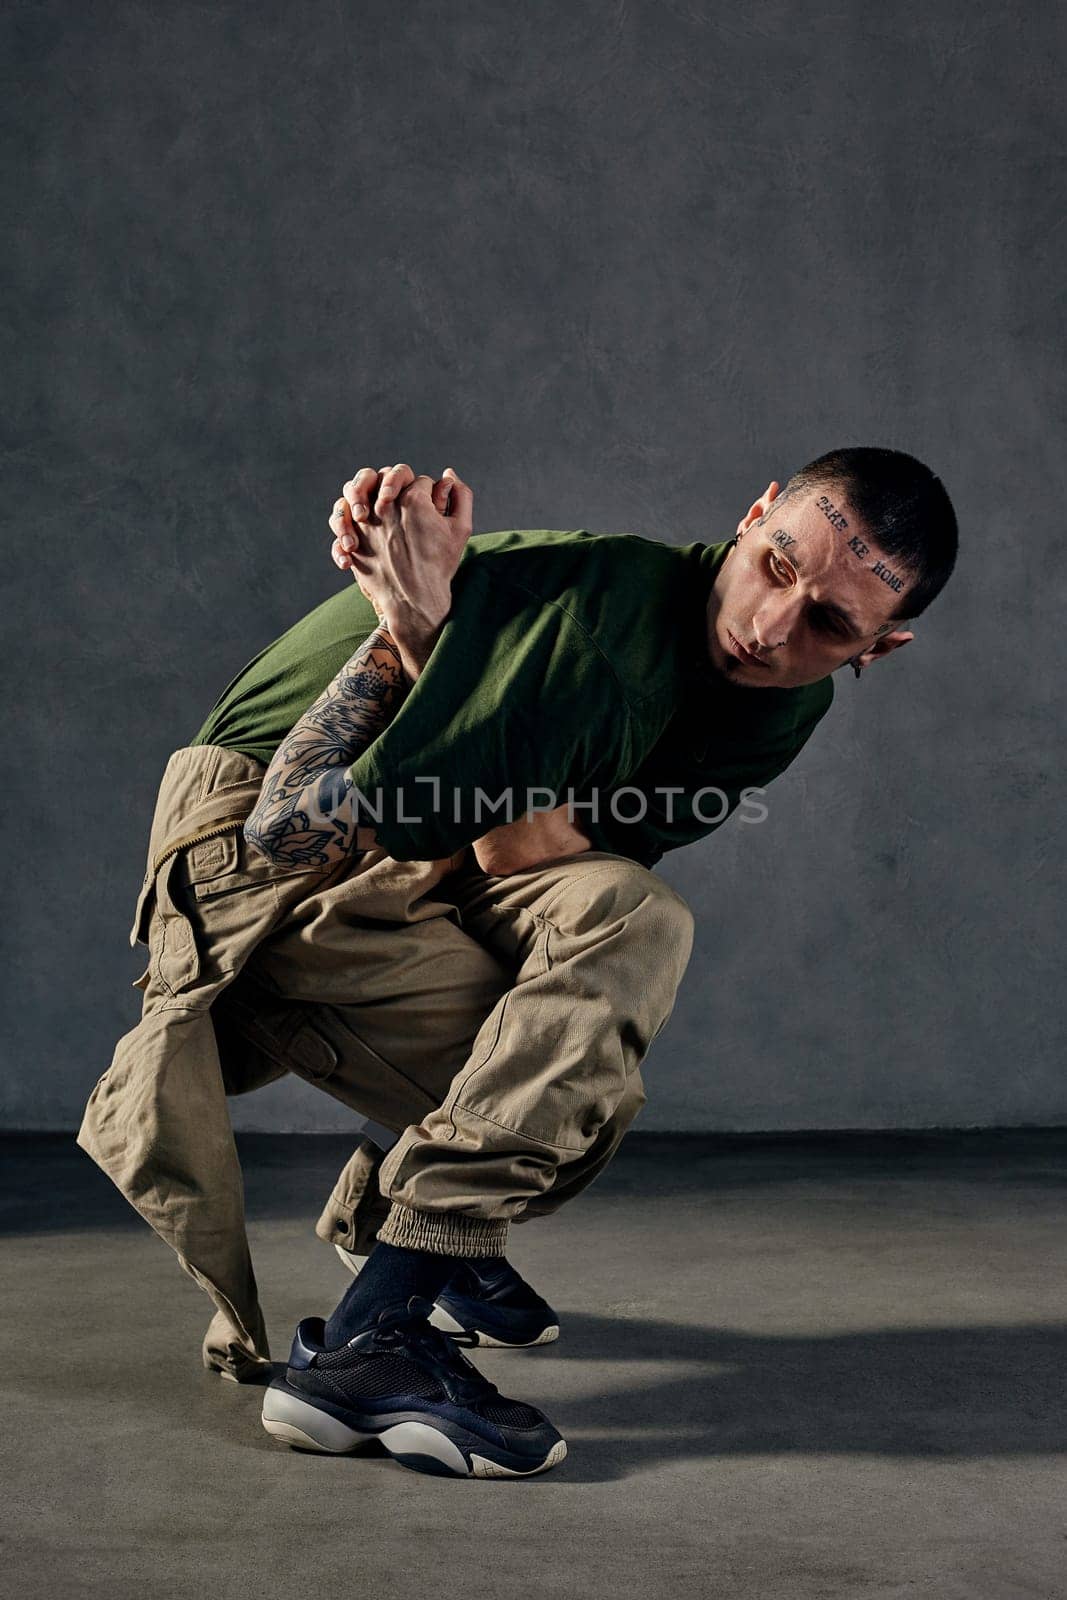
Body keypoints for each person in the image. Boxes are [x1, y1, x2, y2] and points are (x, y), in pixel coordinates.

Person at [78, 446, 958, 1479]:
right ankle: (374, 1338)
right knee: (611, 974)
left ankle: (402, 1233)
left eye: (826, 624)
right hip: (251, 853)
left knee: (580, 1036)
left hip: (403, 864)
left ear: (877, 647)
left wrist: (442, 661)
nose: (771, 629)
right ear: (754, 510)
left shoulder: (781, 706)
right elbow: (381, 838)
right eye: (773, 564)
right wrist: (419, 639)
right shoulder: (601, 622)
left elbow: (563, 866)